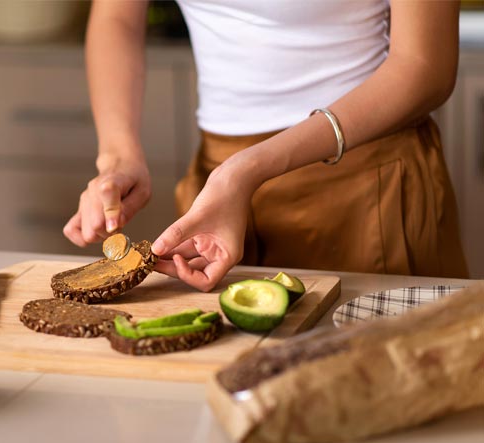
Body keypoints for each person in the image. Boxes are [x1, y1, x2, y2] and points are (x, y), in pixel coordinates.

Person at [63, 0, 469, 292]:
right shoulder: (227, 179)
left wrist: (247, 170)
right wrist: (119, 154)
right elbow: (117, 17)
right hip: (219, 183)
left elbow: (425, 67)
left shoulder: (239, 175)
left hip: (369, 183)